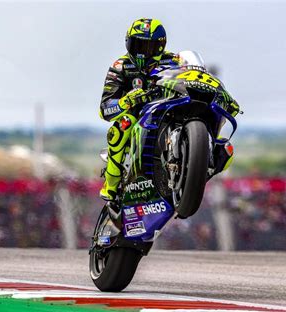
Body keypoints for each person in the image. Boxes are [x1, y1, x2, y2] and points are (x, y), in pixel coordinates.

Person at [99, 18, 240, 201]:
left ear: (160, 47)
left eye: (147, 47)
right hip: (138, 116)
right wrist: (125, 102)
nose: (141, 53)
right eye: (137, 45)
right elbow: (105, 109)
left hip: (170, 108)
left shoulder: (174, 61)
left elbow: (198, 78)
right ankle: (110, 186)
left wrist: (223, 96)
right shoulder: (120, 67)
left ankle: (195, 170)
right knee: (120, 127)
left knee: (224, 148)